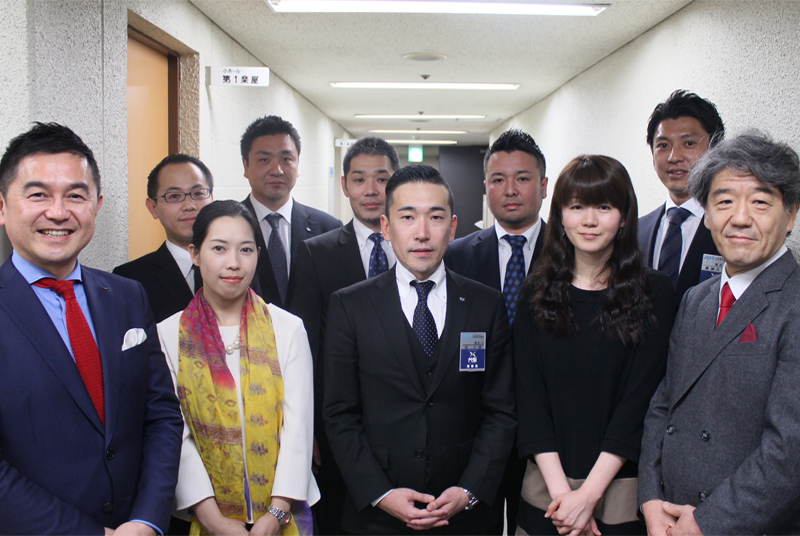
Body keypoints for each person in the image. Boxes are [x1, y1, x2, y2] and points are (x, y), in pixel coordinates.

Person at [0, 122, 183, 534]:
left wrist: (147, 519)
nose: (58, 212)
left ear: (96, 206)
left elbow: (162, 417)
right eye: (38, 194)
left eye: (75, 195)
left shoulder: (127, 295)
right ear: (2, 207)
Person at [323, 165, 516, 535]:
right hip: (377, 518)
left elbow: (501, 411)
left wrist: (469, 490)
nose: (422, 232)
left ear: (453, 228)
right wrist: (380, 493)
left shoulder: (485, 304)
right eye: (407, 217)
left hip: (465, 516)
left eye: (436, 217)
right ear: (386, 226)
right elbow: (339, 414)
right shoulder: (350, 306)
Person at [639, 132, 800, 535]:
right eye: (724, 201)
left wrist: (707, 523)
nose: (740, 218)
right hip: (670, 518)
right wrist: (650, 498)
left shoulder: (793, 303)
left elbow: (789, 450)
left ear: (791, 215)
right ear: (706, 214)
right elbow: (663, 404)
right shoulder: (696, 299)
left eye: (760, 202)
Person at [515, 155, 674, 536]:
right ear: (560, 215)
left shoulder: (655, 292)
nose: (589, 220)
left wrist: (587, 496)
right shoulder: (534, 292)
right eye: (576, 207)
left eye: (603, 207)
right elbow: (530, 400)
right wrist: (564, 500)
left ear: (624, 216)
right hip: (546, 493)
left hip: (620, 493)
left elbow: (639, 402)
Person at [158, 200, 319, 536]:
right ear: (195, 253)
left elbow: (298, 428)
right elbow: (177, 434)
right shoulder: (169, 334)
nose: (233, 263)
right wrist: (213, 520)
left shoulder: (287, 328)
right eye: (219, 248)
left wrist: (276, 513)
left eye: (245, 250)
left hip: (283, 512)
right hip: (204, 514)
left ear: (257, 254)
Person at [289, 136, 399, 535]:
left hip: (403, 425)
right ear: (344, 185)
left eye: (382, 178)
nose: (371, 190)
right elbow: (303, 349)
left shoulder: (422, 249)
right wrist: (309, 429)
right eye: (359, 179)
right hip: (338, 425)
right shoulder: (316, 253)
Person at [444, 128, 548, 533]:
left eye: (522, 178)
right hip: (476, 431)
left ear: (543, 185)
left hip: (546, 434)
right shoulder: (457, 256)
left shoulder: (570, 252)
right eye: (498, 179)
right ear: (486, 187)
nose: (511, 190)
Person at [240, 115, 341, 309]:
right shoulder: (227, 227)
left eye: (286, 159)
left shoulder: (329, 229)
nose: (277, 170)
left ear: (298, 164)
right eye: (264, 159)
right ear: (246, 166)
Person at [638, 90, 725, 305]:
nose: (674, 157)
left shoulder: (732, 226)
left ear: (715, 148)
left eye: (689, 144)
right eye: (663, 145)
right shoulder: (636, 231)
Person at [114, 154, 214, 322]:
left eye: (198, 193)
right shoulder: (129, 279)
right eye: (174, 196)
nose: (189, 206)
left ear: (212, 198)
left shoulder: (241, 265)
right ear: (153, 208)